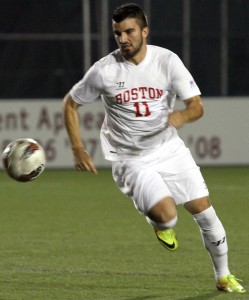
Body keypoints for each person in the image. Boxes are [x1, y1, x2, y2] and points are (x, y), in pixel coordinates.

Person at [63, 3, 245, 294]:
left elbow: (196, 105)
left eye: (129, 31)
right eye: (118, 33)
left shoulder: (167, 61)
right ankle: (160, 224)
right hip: (130, 158)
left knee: (204, 211)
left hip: (168, 148)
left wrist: (183, 116)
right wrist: (77, 148)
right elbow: (70, 103)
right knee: (167, 215)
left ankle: (224, 277)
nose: (123, 39)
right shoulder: (104, 70)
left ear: (144, 32)